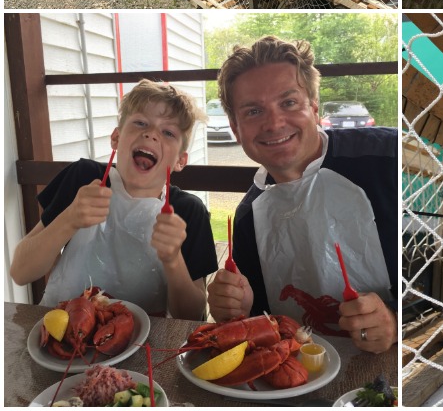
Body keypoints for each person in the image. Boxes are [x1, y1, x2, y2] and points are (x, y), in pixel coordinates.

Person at [207, 36, 398, 354]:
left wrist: (395, 323)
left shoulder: (389, 159)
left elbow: (440, 271)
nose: (274, 122)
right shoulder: (248, 215)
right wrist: (237, 308)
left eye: (289, 103)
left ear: (313, 106)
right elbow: (260, 327)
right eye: (253, 111)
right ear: (236, 128)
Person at [11, 80, 217, 319]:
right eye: (140, 122)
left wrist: (173, 260)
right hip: (64, 331)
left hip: (144, 346)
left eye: (168, 132)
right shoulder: (84, 178)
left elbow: (192, 315)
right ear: (116, 138)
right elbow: (20, 271)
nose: (151, 134)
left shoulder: (189, 211)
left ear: (181, 160)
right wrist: (69, 219)